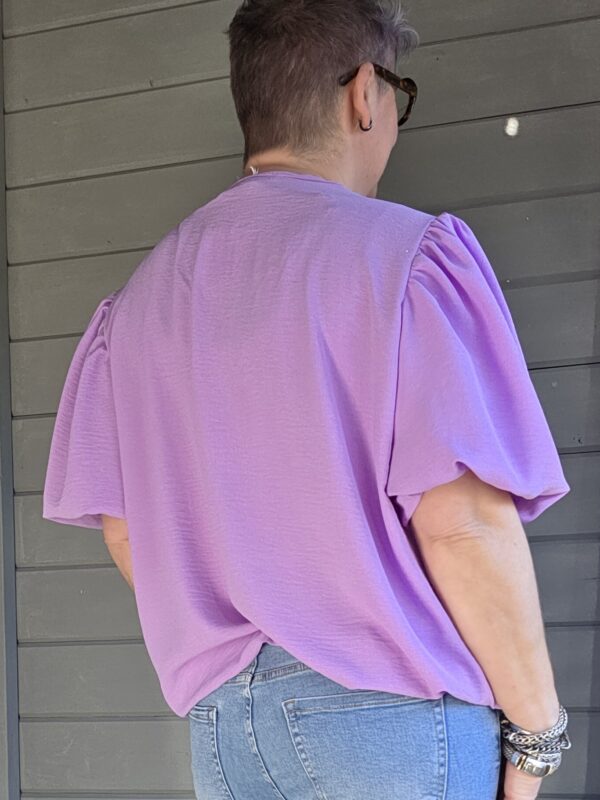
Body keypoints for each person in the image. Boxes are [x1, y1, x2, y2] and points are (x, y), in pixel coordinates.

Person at [42, 1, 572, 798]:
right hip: (388, 721)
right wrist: (536, 735)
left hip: (229, 730)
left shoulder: (139, 307)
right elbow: (461, 524)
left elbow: (127, 533)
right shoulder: (409, 261)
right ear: (365, 94)